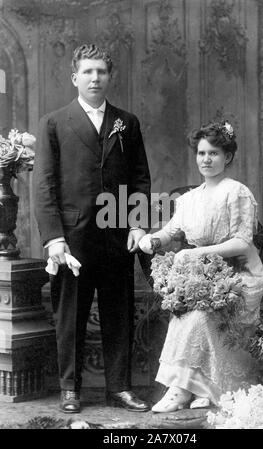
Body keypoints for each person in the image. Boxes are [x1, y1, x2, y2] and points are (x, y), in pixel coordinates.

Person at [33, 44, 151, 413]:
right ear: (75, 78)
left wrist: (137, 224)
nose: (95, 78)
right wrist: (54, 238)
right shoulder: (54, 122)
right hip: (72, 239)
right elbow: (45, 184)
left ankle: (120, 387)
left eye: (101, 72)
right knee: (70, 313)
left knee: (119, 311)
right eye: (87, 72)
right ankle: (71, 388)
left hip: (116, 233)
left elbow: (140, 179)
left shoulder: (126, 122)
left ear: (109, 77)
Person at [139, 121, 263, 412]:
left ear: (228, 157)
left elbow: (243, 242)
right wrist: (152, 240)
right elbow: (172, 230)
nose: (206, 160)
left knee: (198, 316)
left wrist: (198, 255)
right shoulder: (189, 199)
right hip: (203, 276)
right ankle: (200, 387)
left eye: (214, 154)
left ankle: (179, 389)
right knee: (186, 313)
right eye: (201, 153)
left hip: (239, 274)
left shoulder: (237, 193)